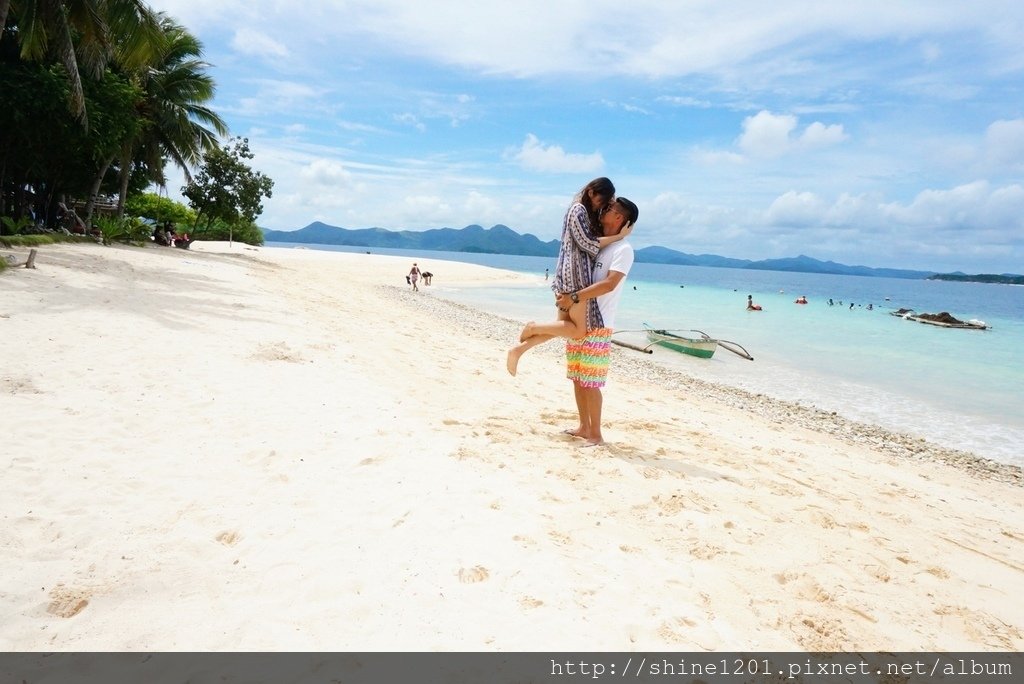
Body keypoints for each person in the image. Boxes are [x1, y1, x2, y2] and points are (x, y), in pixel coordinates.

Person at [506, 197, 639, 449]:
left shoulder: (623, 249)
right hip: (580, 313)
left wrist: (574, 296)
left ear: (621, 219)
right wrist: (566, 294)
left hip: (599, 323)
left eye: (611, 210)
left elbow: (609, 284)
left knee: (590, 381)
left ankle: (596, 434)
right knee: (578, 378)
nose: (605, 211)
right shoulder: (599, 244)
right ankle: (583, 427)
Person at [509, 178, 630, 365]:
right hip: (575, 276)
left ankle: (518, 350)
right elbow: (587, 244)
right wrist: (619, 237)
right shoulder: (578, 209)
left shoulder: (582, 212)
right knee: (578, 331)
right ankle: (533, 327)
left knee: (561, 327)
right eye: (601, 202)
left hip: (568, 275)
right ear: (591, 192)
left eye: (606, 206)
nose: (601, 208)